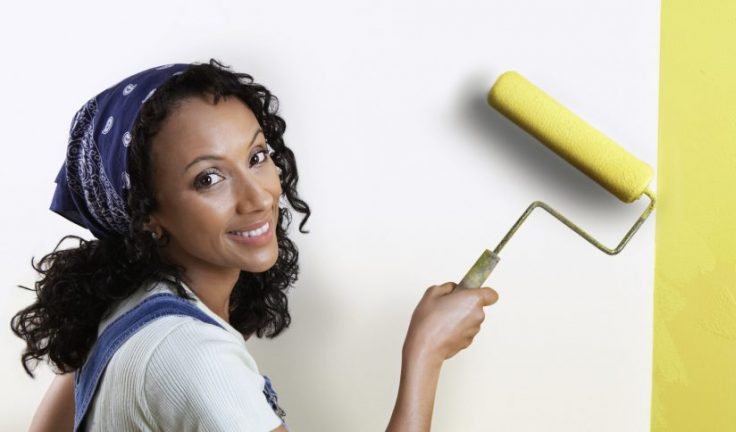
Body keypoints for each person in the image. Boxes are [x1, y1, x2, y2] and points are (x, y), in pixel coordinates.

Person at [11, 59, 498, 432]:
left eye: (257, 155)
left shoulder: (127, 308)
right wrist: (425, 355)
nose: (258, 195)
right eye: (208, 178)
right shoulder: (196, 357)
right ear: (149, 215)